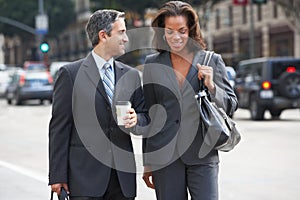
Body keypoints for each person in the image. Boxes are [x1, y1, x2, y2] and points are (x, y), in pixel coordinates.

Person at [142, 1, 238, 200]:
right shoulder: (152, 64)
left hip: (203, 154)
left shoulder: (211, 60)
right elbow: (151, 114)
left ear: (191, 30)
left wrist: (212, 86)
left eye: (182, 31)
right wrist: (148, 161)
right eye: (169, 31)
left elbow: (230, 105)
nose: (176, 37)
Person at [48, 9, 147, 200]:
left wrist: (137, 119)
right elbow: (59, 128)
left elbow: (144, 117)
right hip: (84, 179)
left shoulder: (131, 75)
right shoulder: (70, 75)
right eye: (121, 32)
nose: (126, 38)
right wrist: (57, 176)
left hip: (122, 179)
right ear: (103, 35)